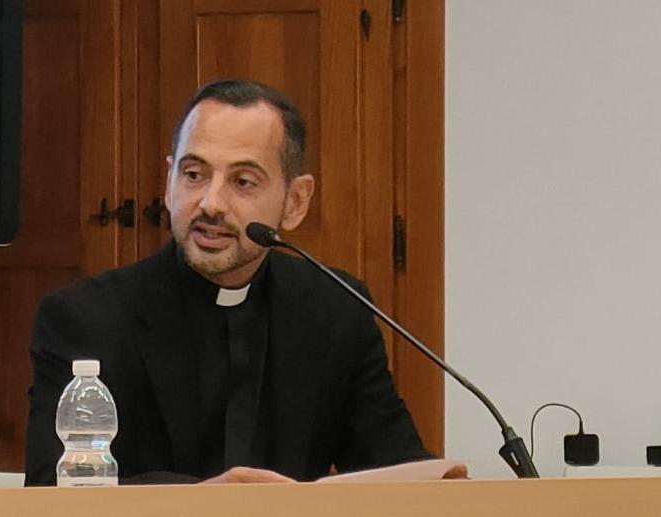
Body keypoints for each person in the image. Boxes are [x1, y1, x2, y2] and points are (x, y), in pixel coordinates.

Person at [25, 79, 430, 485]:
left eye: (243, 182)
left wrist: (444, 489)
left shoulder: (336, 311)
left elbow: (394, 470)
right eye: (194, 174)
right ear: (169, 183)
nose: (211, 203)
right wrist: (203, 503)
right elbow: (51, 491)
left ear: (296, 202)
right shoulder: (85, 319)